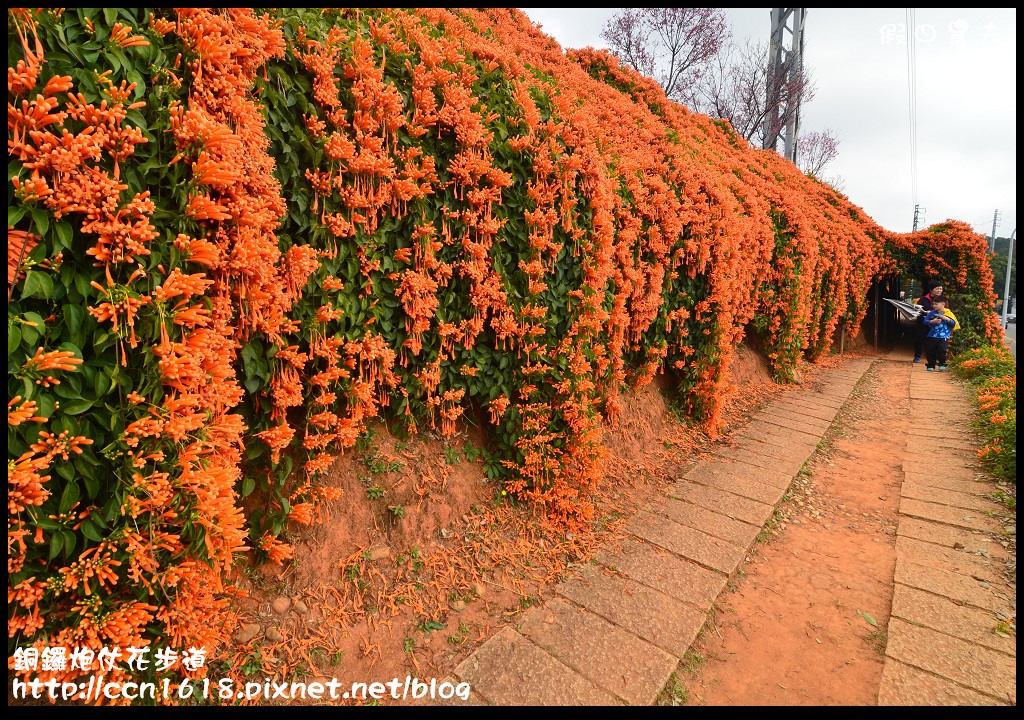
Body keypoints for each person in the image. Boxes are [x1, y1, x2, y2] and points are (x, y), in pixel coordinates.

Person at [913, 282, 947, 362]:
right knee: (920, 339)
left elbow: (946, 311)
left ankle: (934, 358)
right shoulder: (923, 299)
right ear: (931, 290)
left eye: (941, 289)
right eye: (937, 288)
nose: (939, 290)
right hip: (924, 322)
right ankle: (917, 356)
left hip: (937, 323)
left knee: (934, 341)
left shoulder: (943, 300)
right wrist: (925, 313)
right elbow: (917, 311)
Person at [922, 296, 957, 371]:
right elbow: (925, 321)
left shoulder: (948, 313)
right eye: (933, 304)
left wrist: (946, 319)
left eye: (936, 304)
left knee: (942, 350)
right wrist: (932, 321)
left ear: (943, 304)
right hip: (932, 335)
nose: (933, 306)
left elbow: (953, 323)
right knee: (930, 350)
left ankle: (942, 364)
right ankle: (931, 365)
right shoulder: (932, 313)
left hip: (944, 336)